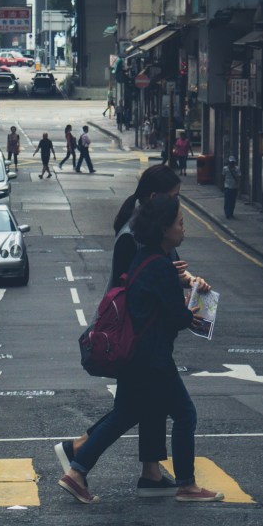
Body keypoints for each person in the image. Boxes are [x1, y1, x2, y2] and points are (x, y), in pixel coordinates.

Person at [58, 195, 224, 504]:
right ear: (164, 229)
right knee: (185, 414)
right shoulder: (160, 266)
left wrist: (183, 284)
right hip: (152, 360)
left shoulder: (147, 259)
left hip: (135, 357)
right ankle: (187, 485)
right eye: (180, 223)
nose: (183, 229)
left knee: (124, 415)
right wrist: (195, 305)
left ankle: (77, 472)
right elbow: (176, 318)